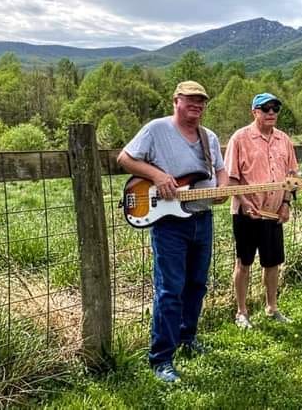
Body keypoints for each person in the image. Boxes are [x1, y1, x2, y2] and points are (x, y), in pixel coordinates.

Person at [117, 80, 229, 383]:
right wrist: (157, 175)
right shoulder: (156, 129)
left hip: (202, 218)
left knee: (197, 284)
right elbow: (125, 158)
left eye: (201, 101)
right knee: (170, 290)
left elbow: (220, 170)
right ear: (176, 100)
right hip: (169, 224)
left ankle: (187, 338)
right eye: (190, 99)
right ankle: (161, 357)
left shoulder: (209, 137)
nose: (197, 105)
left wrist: (223, 187)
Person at [224, 93, 298, 329]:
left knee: (272, 262)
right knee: (244, 262)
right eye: (265, 109)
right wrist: (245, 203)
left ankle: (272, 307)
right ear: (254, 112)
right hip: (246, 213)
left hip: (274, 213)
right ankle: (242, 312)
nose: (271, 113)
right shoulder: (239, 138)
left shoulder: (284, 140)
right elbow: (231, 178)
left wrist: (285, 203)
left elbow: (292, 177)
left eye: (275, 108)